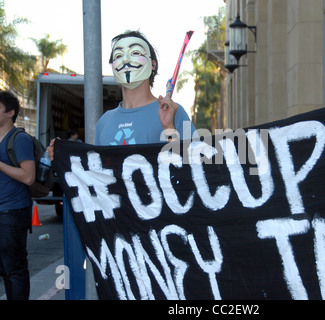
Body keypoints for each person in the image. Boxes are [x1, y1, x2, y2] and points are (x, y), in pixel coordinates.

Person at [48, 29, 196, 154]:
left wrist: (169, 129)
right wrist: (65, 153)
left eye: (135, 52)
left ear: (153, 64)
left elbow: (195, 168)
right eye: (118, 56)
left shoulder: (174, 112)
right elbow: (98, 172)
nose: (125, 60)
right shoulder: (104, 122)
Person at [0, 91, 35, 300]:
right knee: (4, 269)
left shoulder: (19, 139)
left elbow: (28, 177)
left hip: (12, 212)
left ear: (10, 112)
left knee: (15, 270)